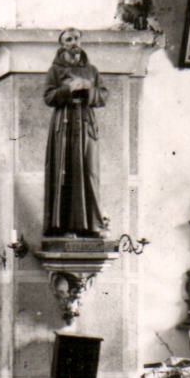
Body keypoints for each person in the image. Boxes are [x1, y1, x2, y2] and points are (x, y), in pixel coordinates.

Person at [43, 27, 107, 237]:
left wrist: (89, 89)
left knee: (88, 171)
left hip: (85, 123)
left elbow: (103, 96)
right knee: (65, 170)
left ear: (81, 41)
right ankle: (61, 226)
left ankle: (90, 225)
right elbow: (48, 97)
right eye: (68, 39)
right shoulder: (54, 70)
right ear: (62, 45)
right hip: (65, 125)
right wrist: (67, 90)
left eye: (76, 38)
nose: (73, 42)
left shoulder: (92, 70)